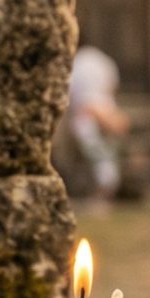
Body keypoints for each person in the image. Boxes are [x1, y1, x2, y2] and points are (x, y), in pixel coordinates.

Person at [63, 44, 129, 210]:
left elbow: (70, 94)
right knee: (101, 152)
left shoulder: (77, 64)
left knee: (101, 154)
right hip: (98, 111)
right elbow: (111, 88)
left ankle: (103, 190)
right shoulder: (103, 61)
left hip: (88, 114)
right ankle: (102, 189)